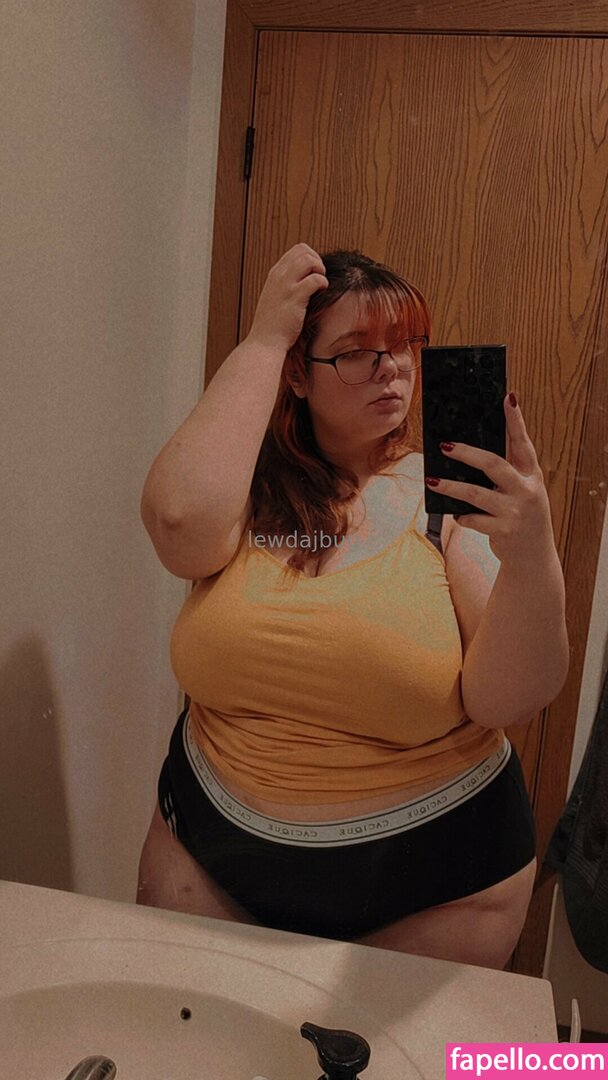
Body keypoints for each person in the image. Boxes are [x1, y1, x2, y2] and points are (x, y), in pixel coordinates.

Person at [137, 243, 569, 969]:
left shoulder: (448, 498)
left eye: (403, 345)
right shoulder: (243, 490)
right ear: (297, 374)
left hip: (432, 887)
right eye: (356, 352)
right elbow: (179, 526)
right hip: (211, 854)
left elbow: (511, 697)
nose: (392, 368)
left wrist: (532, 552)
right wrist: (264, 339)